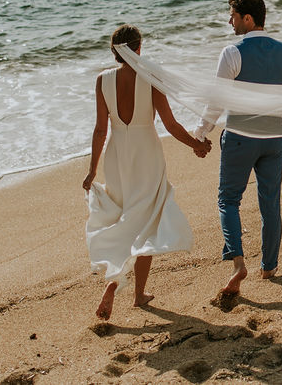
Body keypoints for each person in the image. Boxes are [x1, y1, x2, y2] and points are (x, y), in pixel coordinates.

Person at [83, 24, 211, 320]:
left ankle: (130, 289)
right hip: (146, 153)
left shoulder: (102, 80)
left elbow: (100, 129)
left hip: (117, 155)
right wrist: (197, 145)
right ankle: (127, 290)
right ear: (139, 48)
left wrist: (92, 171)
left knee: (125, 216)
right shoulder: (150, 78)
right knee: (148, 218)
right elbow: (170, 124)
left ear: (114, 51)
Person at [194, 0, 282, 299]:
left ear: (248, 18)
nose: (230, 20)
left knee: (228, 200)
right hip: (273, 140)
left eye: (233, 15)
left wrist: (201, 133)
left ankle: (239, 263)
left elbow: (216, 101)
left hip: (241, 138)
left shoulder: (231, 53)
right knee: (270, 202)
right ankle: (269, 266)